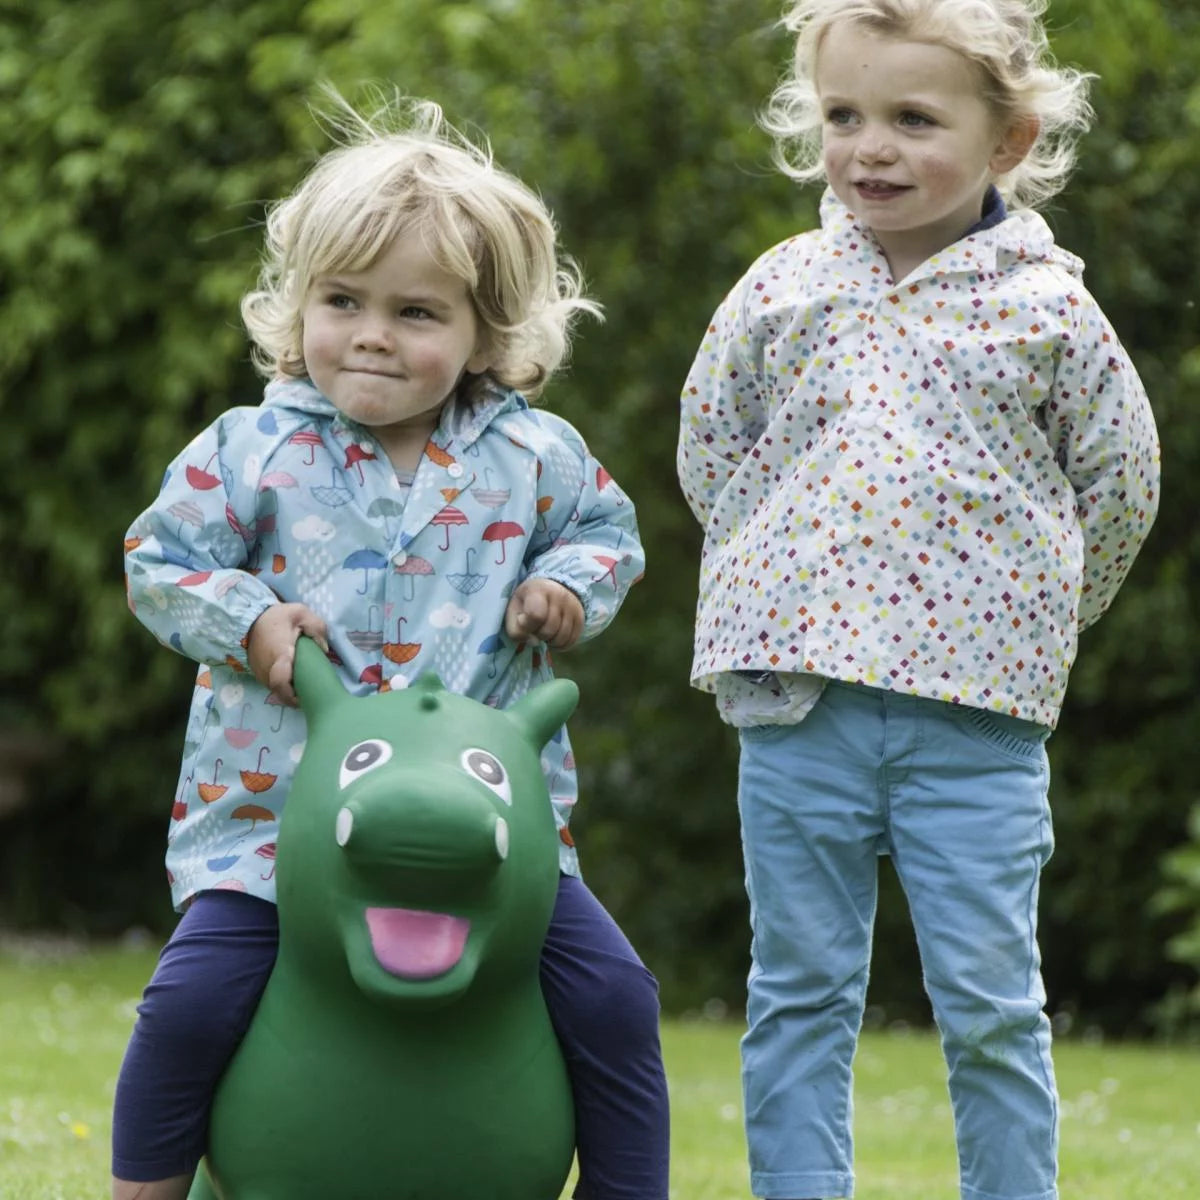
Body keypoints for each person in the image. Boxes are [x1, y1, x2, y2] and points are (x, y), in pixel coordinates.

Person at [117, 90, 668, 1200]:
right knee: (189, 1005)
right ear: (299, 303)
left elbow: (610, 538)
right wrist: (249, 620)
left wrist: (566, 587)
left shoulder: (534, 456)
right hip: (271, 830)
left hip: (490, 849)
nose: (371, 334)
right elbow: (158, 561)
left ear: (484, 333)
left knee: (615, 997)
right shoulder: (249, 451)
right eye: (343, 300)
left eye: (416, 312)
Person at [676, 1, 1160, 1197]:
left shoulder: (1048, 308)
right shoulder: (783, 286)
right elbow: (713, 447)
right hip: (799, 708)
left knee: (993, 1007)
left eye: (913, 119)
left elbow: (1121, 481)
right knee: (797, 996)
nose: (870, 148)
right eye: (844, 115)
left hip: (978, 723)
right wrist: (780, 569)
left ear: (1007, 141)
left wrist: (1038, 613)